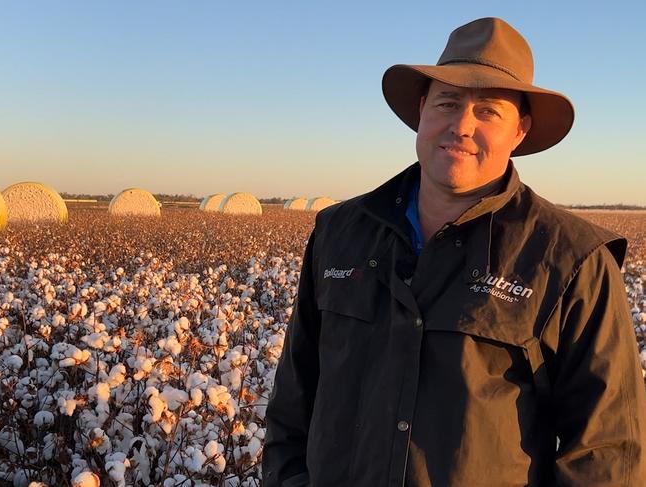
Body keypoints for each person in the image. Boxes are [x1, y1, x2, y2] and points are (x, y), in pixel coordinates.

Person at [263, 17, 646, 486]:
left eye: (488, 111)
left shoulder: (573, 260)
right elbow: (293, 402)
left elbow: (608, 454)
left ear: (520, 131)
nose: (461, 126)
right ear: (423, 111)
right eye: (448, 102)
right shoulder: (339, 231)